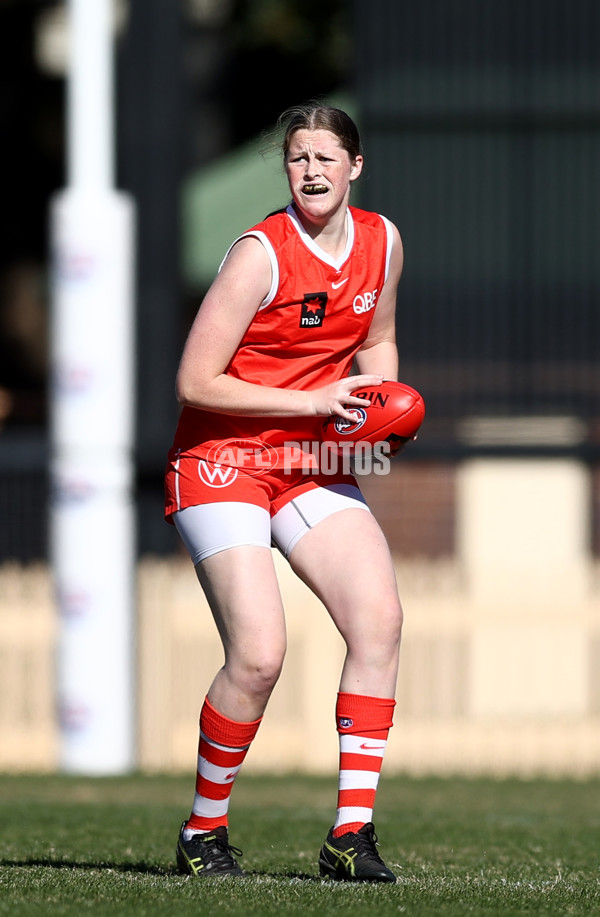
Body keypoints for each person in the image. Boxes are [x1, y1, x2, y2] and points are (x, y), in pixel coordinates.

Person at [164, 102, 405, 882]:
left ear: (355, 167)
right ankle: (203, 832)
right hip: (222, 457)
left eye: (326, 157)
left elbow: (376, 341)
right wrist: (312, 401)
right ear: (286, 168)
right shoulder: (260, 254)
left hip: (311, 455)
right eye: (298, 157)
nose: (311, 171)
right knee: (261, 654)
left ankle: (350, 836)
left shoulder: (382, 242)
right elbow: (195, 381)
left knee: (379, 620)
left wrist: (385, 402)